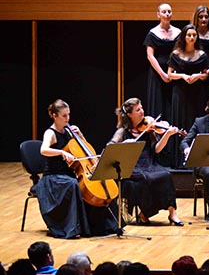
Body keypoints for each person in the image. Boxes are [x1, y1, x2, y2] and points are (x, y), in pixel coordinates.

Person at [37, 100, 118, 238]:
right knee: (73, 185)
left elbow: (86, 150)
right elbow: (43, 150)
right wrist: (61, 152)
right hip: (53, 177)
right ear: (54, 116)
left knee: (100, 179)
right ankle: (74, 228)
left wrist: (80, 135)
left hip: (70, 174)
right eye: (64, 116)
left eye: (68, 115)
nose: (67, 119)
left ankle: (106, 225)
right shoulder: (50, 133)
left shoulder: (69, 131)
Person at [108, 97, 183, 225]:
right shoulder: (123, 132)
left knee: (166, 176)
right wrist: (126, 144)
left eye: (141, 108)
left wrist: (167, 135)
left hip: (148, 164)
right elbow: (110, 147)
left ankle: (172, 213)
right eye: (138, 110)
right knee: (145, 179)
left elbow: (157, 149)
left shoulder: (149, 130)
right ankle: (145, 213)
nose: (142, 111)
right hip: (132, 167)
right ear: (130, 114)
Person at [167, 24, 209, 143]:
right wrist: (183, 76)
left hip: (197, 92)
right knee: (180, 120)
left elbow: (206, 75)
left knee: (195, 120)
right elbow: (170, 74)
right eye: (189, 35)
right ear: (184, 37)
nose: (192, 37)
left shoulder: (202, 55)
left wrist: (198, 76)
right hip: (180, 91)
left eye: (194, 35)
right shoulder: (176, 54)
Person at [144, 3, 179, 124]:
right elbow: (150, 56)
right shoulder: (152, 33)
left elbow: (178, 53)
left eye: (169, 11)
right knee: (158, 104)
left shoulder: (178, 32)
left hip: (173, 72)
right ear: (158, 14)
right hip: (157, 73)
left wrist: (170, 72)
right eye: (164, 12)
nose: (167, 14)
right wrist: (162, 74)